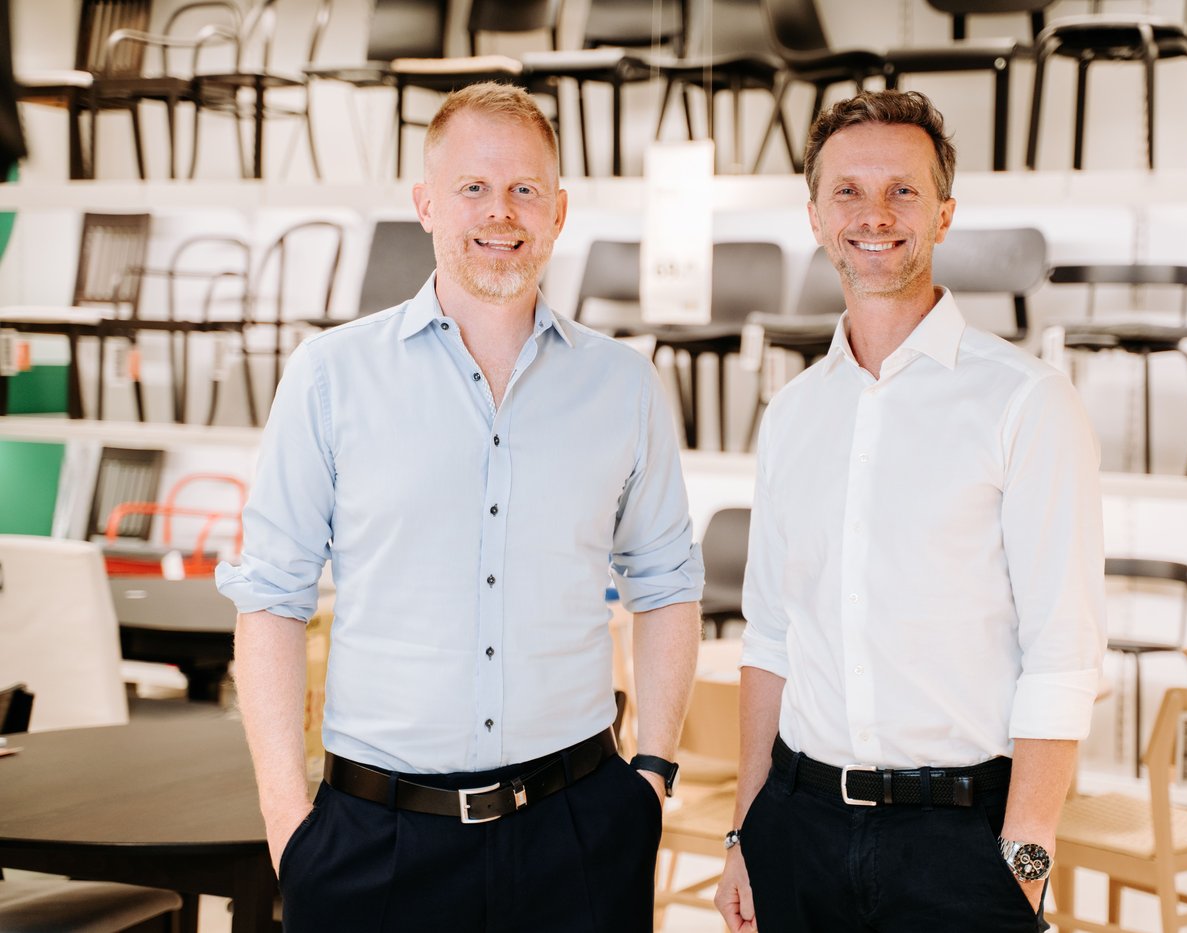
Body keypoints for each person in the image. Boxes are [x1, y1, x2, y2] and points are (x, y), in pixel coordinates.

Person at [217, 82, 703, 932]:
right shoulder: (331, 376)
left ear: (558, 210)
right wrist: (286, 821)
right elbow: (270, 599)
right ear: (426, 204)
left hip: (579, 830)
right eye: (473, 188)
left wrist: (653, 772)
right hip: (374, 840)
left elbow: (665, 582)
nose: (500, 213)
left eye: (524, 190)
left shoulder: (624, 384)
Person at [715, 89, 1105, 933]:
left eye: (903, 190)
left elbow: (1064, 653)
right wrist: (747, 828)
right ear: (816, 215)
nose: (874, 214)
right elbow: (771, 636)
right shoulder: (793, 414)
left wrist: (1025, 860)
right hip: (799, 822)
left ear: (944, 213)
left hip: (962, 840)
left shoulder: (1027, 403)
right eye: (848, 191)